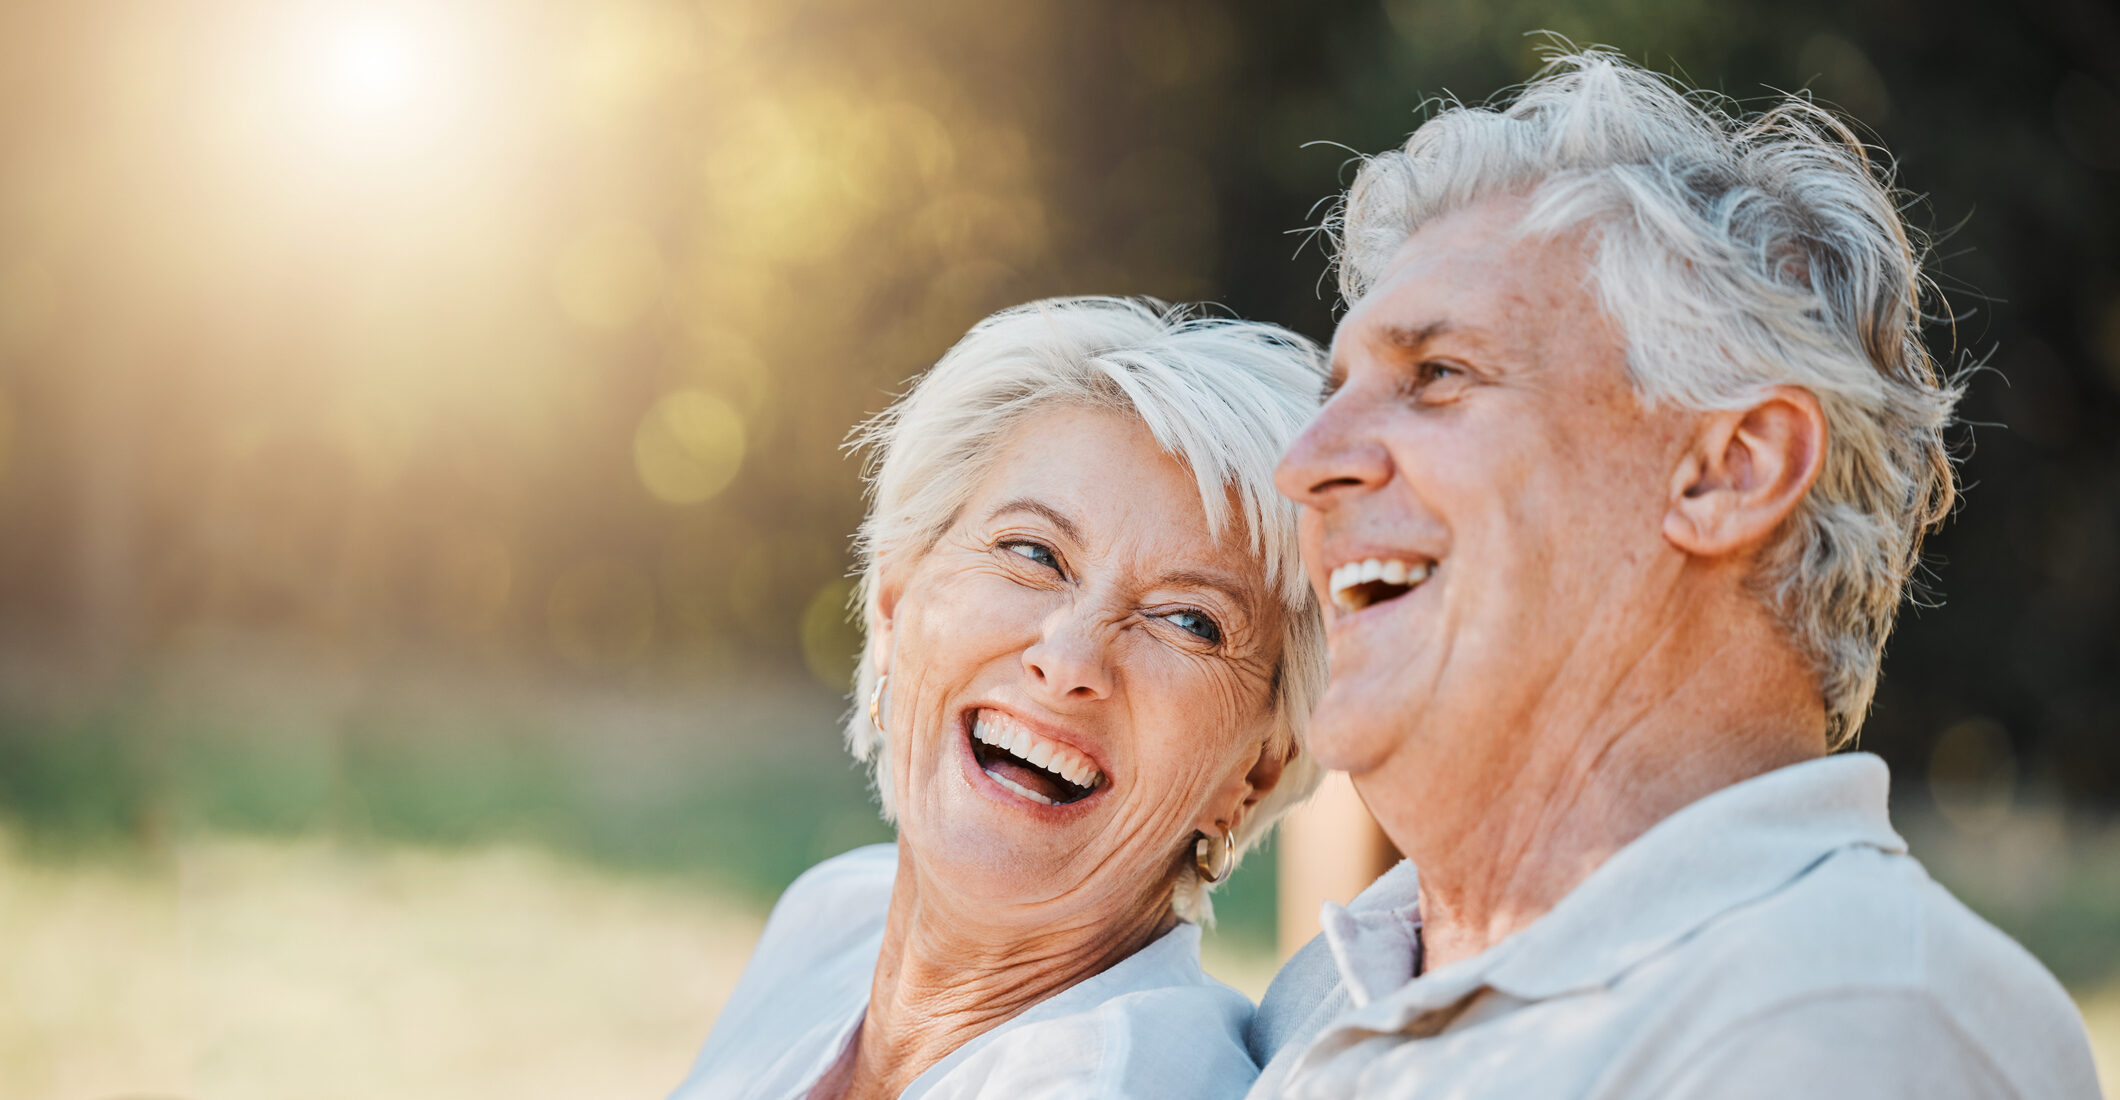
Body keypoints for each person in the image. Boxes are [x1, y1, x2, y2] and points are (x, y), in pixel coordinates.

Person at [1247, 49, 2103, 1099]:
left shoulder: (1848, 1023)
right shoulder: (1317, 998)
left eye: (1436, 375)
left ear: (1728, 472)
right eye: (1335, 388)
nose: (1303, 461)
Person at [668, 297, 1329, 1100]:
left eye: (1190, 622)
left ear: (1254, 774)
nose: (1070, 657)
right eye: (1033, 552)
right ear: (894, 602)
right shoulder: (835, 917)